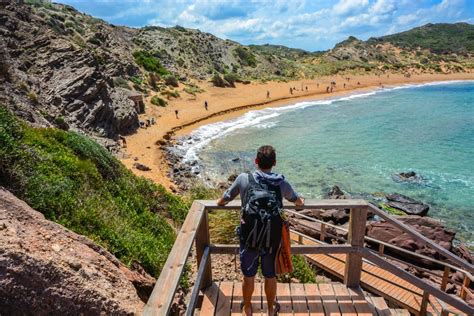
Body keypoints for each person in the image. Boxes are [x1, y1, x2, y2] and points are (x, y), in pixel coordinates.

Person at [217, 145, 304, 316]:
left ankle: (248, 309)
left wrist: (219, 202)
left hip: (249, 238)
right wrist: (301, 200)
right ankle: (271, 310)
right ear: (275, 163)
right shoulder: (281, 182)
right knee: (270, 276)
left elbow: (225, 199)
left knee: (248, 276)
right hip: (272, 239)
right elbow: (297, 201)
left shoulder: (244, 178)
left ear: (256, 161)